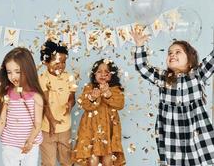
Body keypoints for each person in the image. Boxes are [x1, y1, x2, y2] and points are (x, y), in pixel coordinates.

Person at [131, 29, 214, 165]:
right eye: (170, 53)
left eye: (178, 52)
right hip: (171, 132)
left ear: (190, 61)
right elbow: (143, 68)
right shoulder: (164, 78)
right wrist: (139, 45)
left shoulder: (198, 75)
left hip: (195, 131)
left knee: (200, 161)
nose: (172, 55)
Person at [0, 47, 44, 166]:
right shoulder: (7, 94)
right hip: (10, 145)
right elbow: (2, 121)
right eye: (9, 72)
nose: (13, 76)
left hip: (31, 145)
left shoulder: (36, 96)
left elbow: (38, 124)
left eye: (17, 71)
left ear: (28, 70)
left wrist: (30, 141)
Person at [72, 59, 125, 166]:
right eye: (99, 71)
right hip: (91, 131)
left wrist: (108, 93)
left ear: (112, 75)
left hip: (109, 132)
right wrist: (92, 97)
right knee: (93, 160)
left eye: (107, 72)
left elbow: (120, 104)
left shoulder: (115, 89)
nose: (103, 74)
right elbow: (83, 104)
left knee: (108, 160)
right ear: (94, 74)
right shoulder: (89, 88)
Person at [39, 40, 77, 166]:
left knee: (67, 161)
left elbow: (73, 96)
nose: (61, 65)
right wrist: (51, 120)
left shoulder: (69, 77)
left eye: (64, 62)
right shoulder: (42, 78)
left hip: (65, 128)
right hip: (47, 129)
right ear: (46, 61)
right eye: (57, 62)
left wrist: (70, 103)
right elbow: (44, 102)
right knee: (48, 162)